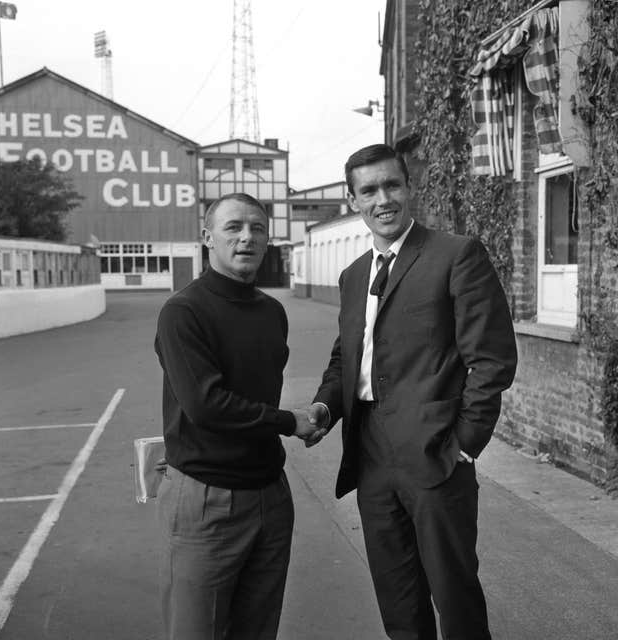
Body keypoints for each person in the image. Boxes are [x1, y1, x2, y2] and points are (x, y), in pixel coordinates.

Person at [305, 144, 518, 640]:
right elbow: (348, 358)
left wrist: (464, 444)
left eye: (391, 185)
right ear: (352, 199)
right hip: (371, 452)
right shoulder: (353, 275)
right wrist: (323, 406)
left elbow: (491, 358)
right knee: (397, 595)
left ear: (409, 186)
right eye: (369, 190)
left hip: (436, 450)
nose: (383, 199)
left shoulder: (456, 255)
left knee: (454, 595)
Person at [154, 192, 317, 640]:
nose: (247, 237)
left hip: (269, 495)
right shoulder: (183, 312)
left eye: (257, 229)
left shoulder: (272, 312)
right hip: (207, 500)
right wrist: (290, 422)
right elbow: (206, 406)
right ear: (207, 237)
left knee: (257, 631)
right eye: (233, 228)